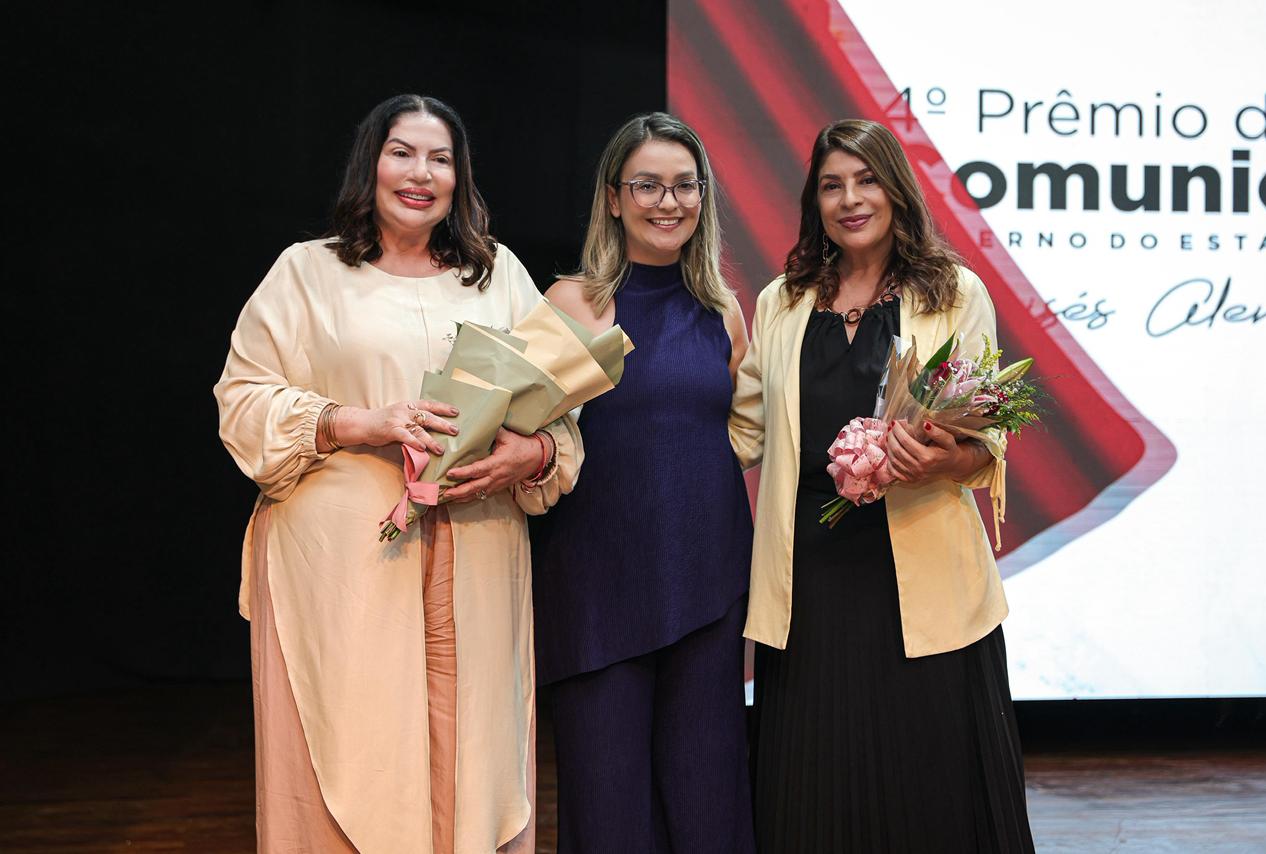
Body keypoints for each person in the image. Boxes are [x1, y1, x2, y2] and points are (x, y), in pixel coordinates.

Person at [214, 94, 581, 854]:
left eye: (440, 159)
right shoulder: (307, 272)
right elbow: (242, 400)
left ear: (460, 177)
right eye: (402, 153)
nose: (421, 174)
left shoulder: (496, 275)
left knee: (474, 751)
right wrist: (360, 421)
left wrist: (534, 453)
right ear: (370, 164)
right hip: (343, 563)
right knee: (350, 751)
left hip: (477, 552)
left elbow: (558, 410)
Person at [731, 119, 1035, 852]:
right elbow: (744, 429)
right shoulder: (781, 301)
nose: (850, 199)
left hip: (923, 574)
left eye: (866, 180)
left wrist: (943, 461)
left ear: (896, 188)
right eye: (831, 185)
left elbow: (987, 435)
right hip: (808, 578)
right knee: (814, 787)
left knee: (929, 788)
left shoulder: (954, 293)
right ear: (814, 202)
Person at [531, 112, 755, 853]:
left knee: (708, 799)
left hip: (708, 581)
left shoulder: (724, 311)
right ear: (613, 197)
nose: (668, 202)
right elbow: (528, 435)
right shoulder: (570, 304)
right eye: (648, 185)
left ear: (703, 196)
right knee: (607, 805)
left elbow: (731, 436)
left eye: (685, 185)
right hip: (597, 588)